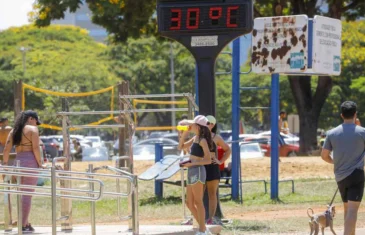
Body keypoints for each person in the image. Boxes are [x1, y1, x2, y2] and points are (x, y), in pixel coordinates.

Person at [321, 101, 365, 235]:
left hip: (340, 177)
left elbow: (324, 155)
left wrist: (336, 162)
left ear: (341, 115)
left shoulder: (332, 133)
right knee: (352, 211)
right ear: (355, 114)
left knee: (347, 209)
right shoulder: (362, 132)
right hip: (356, 175)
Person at [2, 110, 43, 233]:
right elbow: (35, 148)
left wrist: (5, 165)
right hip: (30, 162)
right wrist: (40, 164)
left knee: (21, 195)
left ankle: (25, 222)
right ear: (31, 118)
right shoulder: (32, 130)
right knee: (27, 195)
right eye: (36, 121)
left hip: (17, 163)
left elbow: (6, 149)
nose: (36, 124)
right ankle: (23, 225)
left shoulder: (14, 131)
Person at [178, 115, 213, 235]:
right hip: (191, 170)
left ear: (198, 126)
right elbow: (181, 147)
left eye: (193, 124)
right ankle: (204, 227)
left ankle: (202, 230)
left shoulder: (202, 140)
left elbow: (208, 160)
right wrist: (184, 133)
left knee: (198, 201)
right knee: (189, 203)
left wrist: (193, 163)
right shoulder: (195, 138)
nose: (190, 125)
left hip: (198, 170)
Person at [205, 115, 231, 225]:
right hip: (200, 167)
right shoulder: (197, 137)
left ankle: (211, 218)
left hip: (212, 167)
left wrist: (220, 161)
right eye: (206, 122)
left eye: (210, 123)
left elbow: (228, 150)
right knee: (197, 195)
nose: (207, 125)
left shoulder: (217, 137)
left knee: (212, 194)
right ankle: (197, 218)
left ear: (213, 125)